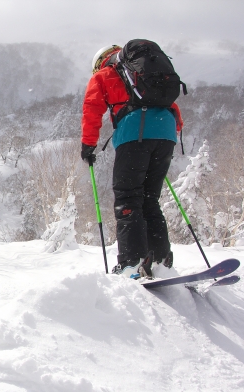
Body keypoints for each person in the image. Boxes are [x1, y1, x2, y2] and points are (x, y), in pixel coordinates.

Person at [81, 44, 184, 278]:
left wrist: (88, 145)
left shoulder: (105, 74)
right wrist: (163, 135)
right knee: (150, 199)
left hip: (135, 133)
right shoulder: (146, 73)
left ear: (100, 62)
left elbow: (92, 108)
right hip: (166, 134)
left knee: (128, 198)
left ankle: (132, 262)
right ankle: (160, 260)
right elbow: (171, 105)